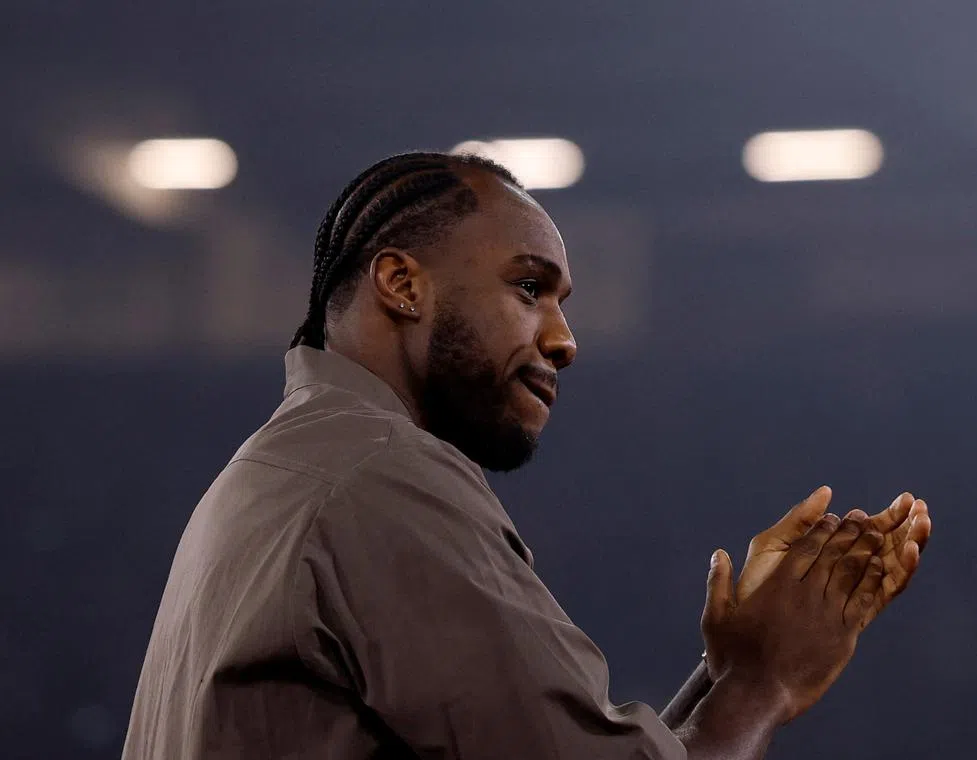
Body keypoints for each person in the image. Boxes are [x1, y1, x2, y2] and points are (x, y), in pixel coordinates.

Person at [122, 152, 931, 759]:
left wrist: (727, 678)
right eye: (529, 288)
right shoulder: (379, 479)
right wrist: (765, 682)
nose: (564, 339)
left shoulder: (286, 470)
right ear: (403, 285)